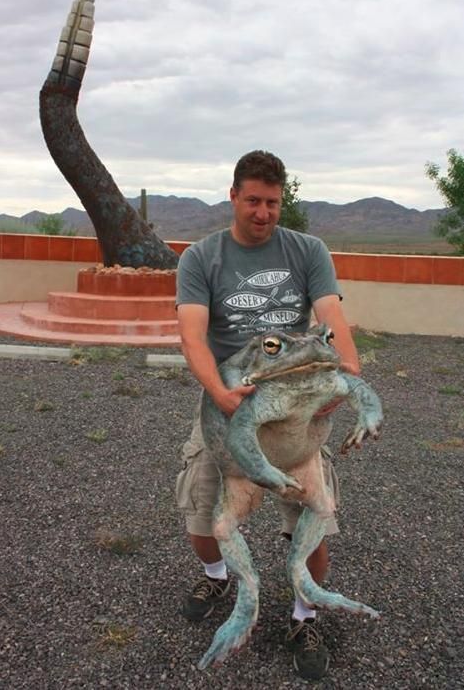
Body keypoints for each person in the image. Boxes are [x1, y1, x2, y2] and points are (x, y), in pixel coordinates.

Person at [175, 150, 360, 681]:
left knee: (313, 524)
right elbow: (192, 335)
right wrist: (220, 393)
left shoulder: (307, 250)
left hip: (293, 410)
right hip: (228, 406)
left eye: (273, 203)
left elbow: (331, 314)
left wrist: (348, 371)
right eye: (253, 200)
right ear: (233, 195)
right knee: (203, 513)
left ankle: (304, 615)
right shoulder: (201, 258)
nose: (263, 212)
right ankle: (217, 575)